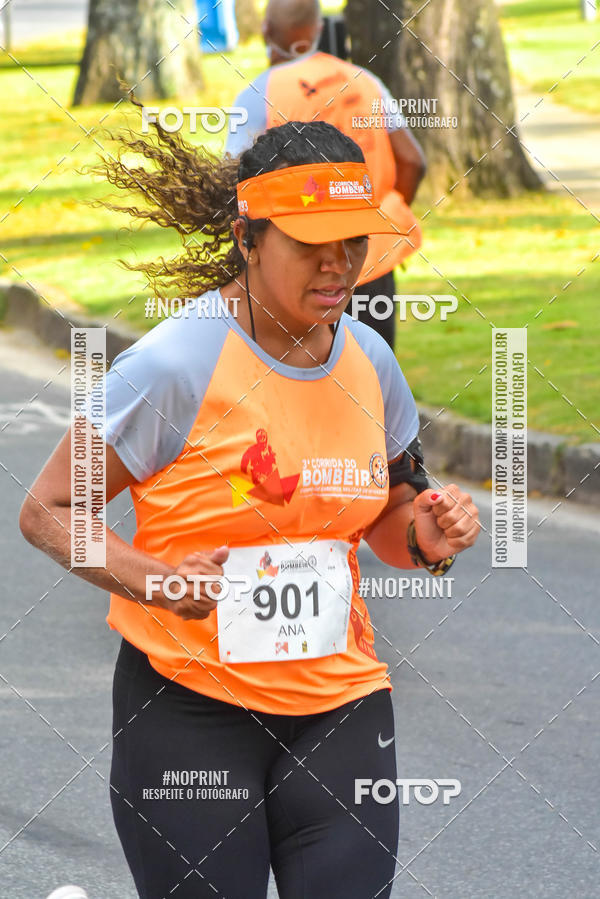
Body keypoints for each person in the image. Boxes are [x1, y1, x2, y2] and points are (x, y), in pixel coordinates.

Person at [20, 120, 479, 899]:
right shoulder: (176, 364)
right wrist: (157, 579)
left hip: (341, 704)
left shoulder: (371, 361)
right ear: (247, 237)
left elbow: (390, 517)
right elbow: (49, 509)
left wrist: (427, 535)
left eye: (353, 242)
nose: (338, 265)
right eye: (310, 243)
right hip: (189, 707)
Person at [225, 0, 427, 349]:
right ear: (318, 29)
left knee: (302, 377)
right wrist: (380, 222)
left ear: (265, 32)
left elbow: (231, 185)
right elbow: (412, 160)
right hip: (370, 258)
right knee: (373, 376)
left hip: (299, 265)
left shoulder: (259, 95)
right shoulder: (366, 82)